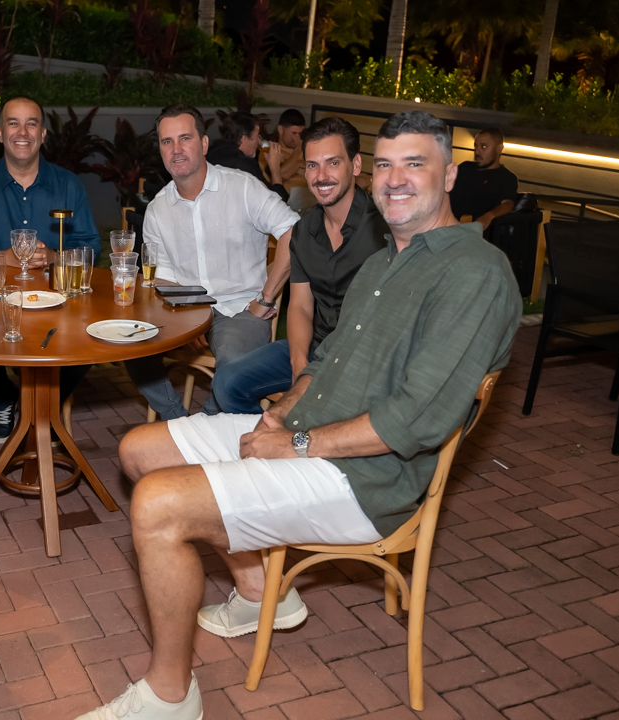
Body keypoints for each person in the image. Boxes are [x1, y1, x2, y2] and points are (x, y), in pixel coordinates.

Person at [75, 111, 522, 720]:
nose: (395, 180)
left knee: (157, 504)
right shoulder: (385, 261)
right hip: (314, 433)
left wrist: (297, 442)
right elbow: (326, 358)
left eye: (415, 164)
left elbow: (415, 421)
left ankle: (170, 696)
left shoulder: (474, 273)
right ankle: (260, 592)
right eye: (387, 165)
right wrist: (284, 410)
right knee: (139, 449)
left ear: (449, 177)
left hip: (367, 477)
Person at [124, 105, 299, 420]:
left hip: (241, 309)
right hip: (185, 309)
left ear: (204, 144)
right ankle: (176, 419)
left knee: (234, 371)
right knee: (128, 340)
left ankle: (207, 424)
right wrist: (185, 320)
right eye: (167, 141)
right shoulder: (158, 209)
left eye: (185, 138)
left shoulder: (242, 187)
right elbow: (162, 277)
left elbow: (292, 231)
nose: (176, 149)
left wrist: (266, 298)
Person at [212, 117, 388, 413]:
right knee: (226, 383)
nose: (321, 176)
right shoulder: (304, 231)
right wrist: (298, 363)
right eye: (312, 165)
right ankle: (269, 437)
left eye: (333, 163)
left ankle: (287, 436)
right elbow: (301, 307)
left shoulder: (384, 231)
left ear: (356, 165)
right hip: (314, 347)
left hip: (363, 359)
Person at [0, 96, 100, 442]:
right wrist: (3, 257)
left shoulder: (68, 185)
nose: (23, 132)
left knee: (90, 340)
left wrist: (55, 257)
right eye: (13, 123)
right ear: (0, 133)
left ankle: (47, 405)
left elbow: (91, 246)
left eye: (31, 123)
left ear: (43, 134)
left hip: (58, 303)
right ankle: (3, 398)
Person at [206, 111, 289, 202]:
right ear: (244, 139)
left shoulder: (211, 153)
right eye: (257, 136)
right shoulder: (245, 164)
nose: (259, 142)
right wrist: (275, 167)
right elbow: (277, 201)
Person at [449, 127, 519, 230]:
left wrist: (489, 216)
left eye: (484, 147)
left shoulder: (506, 178)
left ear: (499, 149)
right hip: (442, 223)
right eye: (476, 146)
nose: (477, 151)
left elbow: (507, 204)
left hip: (468, 229)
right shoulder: (465, 167)